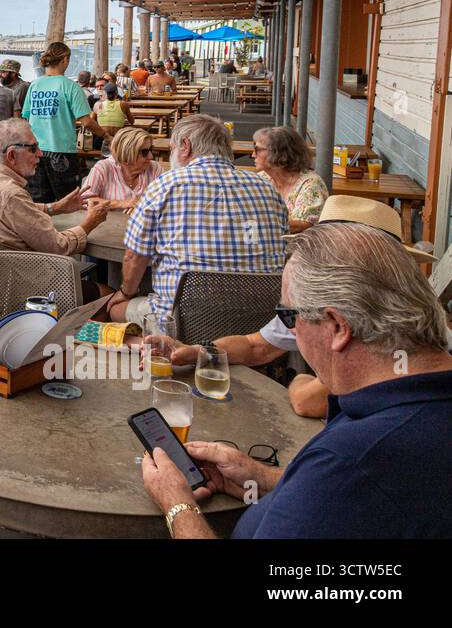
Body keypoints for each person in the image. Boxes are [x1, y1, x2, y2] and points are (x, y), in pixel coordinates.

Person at [141, 219, 452, 538]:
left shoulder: (348, 462)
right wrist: (262, 477)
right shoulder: (411, 405)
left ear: (338, 327)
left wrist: (176, 503)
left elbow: (343, 485)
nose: (288, 330)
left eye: (290, 316)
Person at [146, 195, 441, 420]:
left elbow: (308, 400)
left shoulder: (388, 317)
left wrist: (300, 380)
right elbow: (255, 346)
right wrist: (197, 351)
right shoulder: (316, 301)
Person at [106, 114, 287, 325]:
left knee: (115, 308)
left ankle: (161, 352)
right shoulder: (267, 188)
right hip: (258, 322)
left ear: (185, 145)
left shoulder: (167, 185)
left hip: (184, 322)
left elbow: (134, 257)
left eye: (172, 148)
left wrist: (125, 292)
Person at [0, 118, 109, 301]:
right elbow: (58, 247)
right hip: (17, 290)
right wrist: (90, 222)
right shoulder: (11, 193)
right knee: (109, 296)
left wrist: (55, 207)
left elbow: (12, 211)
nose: (40, 154)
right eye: (33, 148)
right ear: (11, 156)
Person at [21, 42, 106, 203]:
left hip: (35, 150)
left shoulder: (34, 85)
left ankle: (41, 228)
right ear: (65, 59)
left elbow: (26, 117)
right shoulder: (71, 87)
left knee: (39, 202)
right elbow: (86, 122)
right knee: (67, 201)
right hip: (62, 151)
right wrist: (105, 135)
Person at [252, 126, 328, 232]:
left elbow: (305, 226)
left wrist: (260, 222)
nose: (253, 154)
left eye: (257, 149)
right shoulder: (262, 178)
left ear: (279, 152)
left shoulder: (311, 184)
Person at [81, 127, 161, 210]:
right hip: (108, 222)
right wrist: (121, 204)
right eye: (144, 152)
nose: (151, 156)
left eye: (151, 149)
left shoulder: (154, 168)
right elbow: (85, 200)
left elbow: (164, 201)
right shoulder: (103, 167)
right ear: (126, 153)